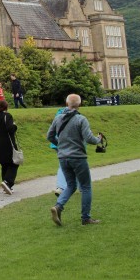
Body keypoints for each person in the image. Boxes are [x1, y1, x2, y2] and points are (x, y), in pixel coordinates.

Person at [47, 93, 103, 226]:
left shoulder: (58, 118)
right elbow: (89, 138)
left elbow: (49, 136)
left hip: (63, 157)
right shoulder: (81, 119)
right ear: (79, 105)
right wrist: (98, 139)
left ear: (67, 104)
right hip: (78, 157)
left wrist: (60, 144)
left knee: (71, 185)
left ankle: (58, 206)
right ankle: (86, 218)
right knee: (86, 186)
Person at [0, 100, 19, 194]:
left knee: (4, 165)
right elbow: (10, 129)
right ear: (6, 107)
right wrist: (15, 126)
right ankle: (7, 182)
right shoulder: (8, 116)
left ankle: (7, 186)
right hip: (8, 144)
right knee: (14, 163)